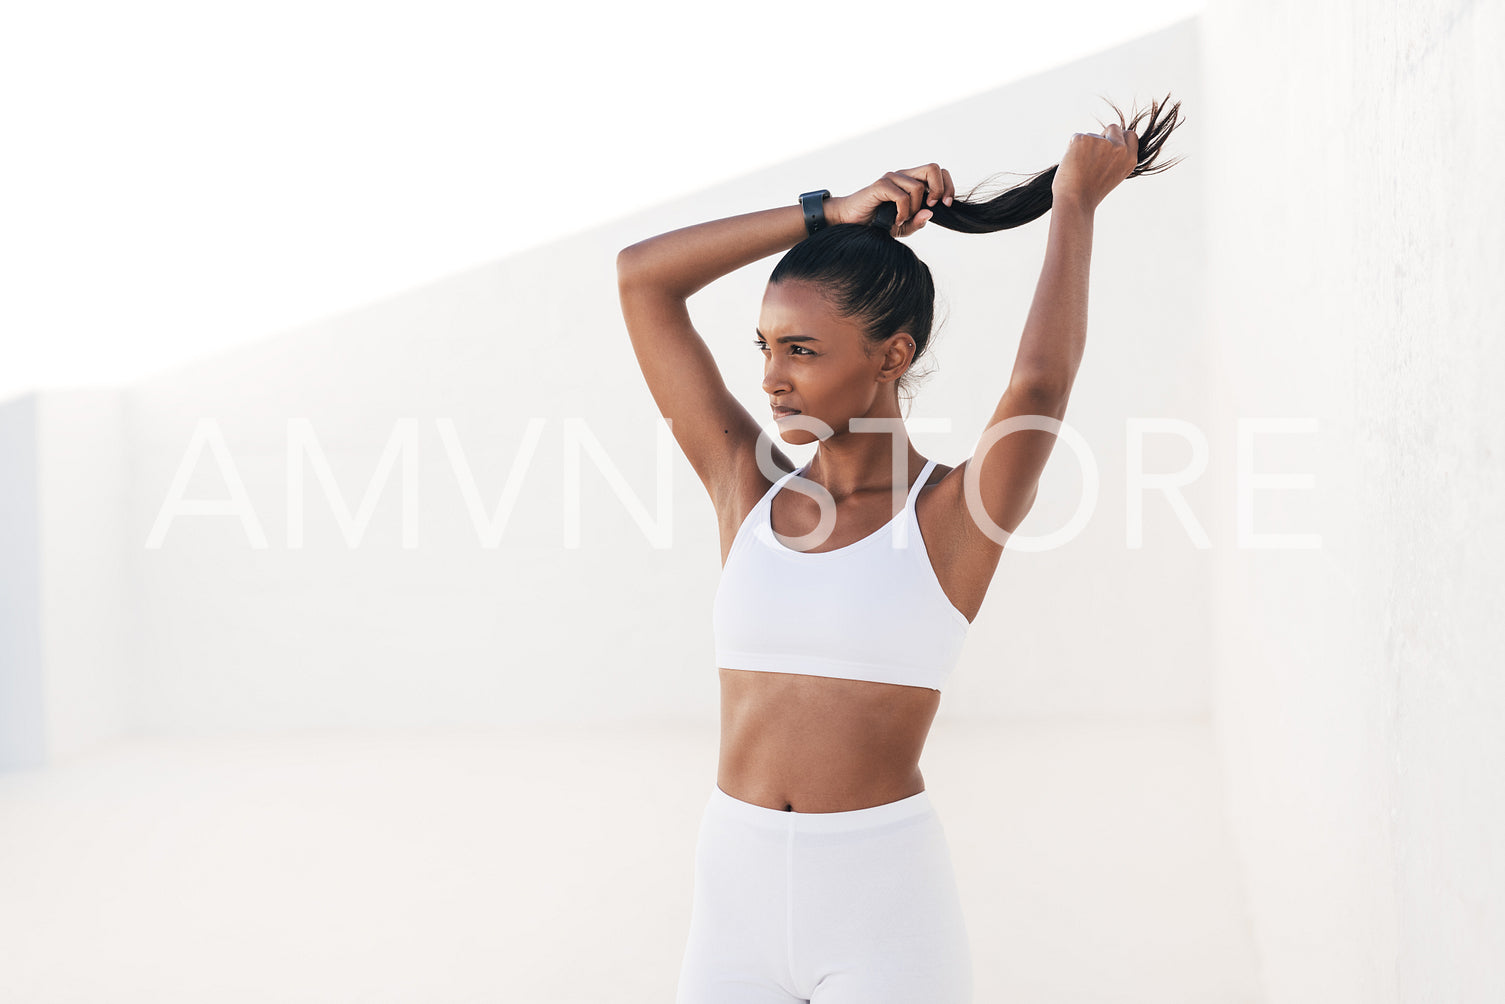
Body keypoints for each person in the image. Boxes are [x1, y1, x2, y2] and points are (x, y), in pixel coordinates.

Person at [617, 96, 1184, 1004]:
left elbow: (1040, 377)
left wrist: (1073, 204)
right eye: (763, 347)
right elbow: (641, 278)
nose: (770, 377)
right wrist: (826, 211)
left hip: (881, 911)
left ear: (892, 355)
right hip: (732, 895)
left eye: (800, 349)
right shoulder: (746, 491)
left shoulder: (955, 515)